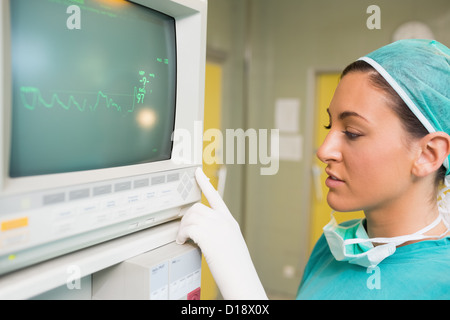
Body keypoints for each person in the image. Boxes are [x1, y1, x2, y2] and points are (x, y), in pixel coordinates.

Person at [176, 39, 450, 300]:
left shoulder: (440, 283)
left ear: (428, 154)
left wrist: (244, 288)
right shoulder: (336, 248)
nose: (323, 150)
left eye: (352, 132)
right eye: (329, 127)